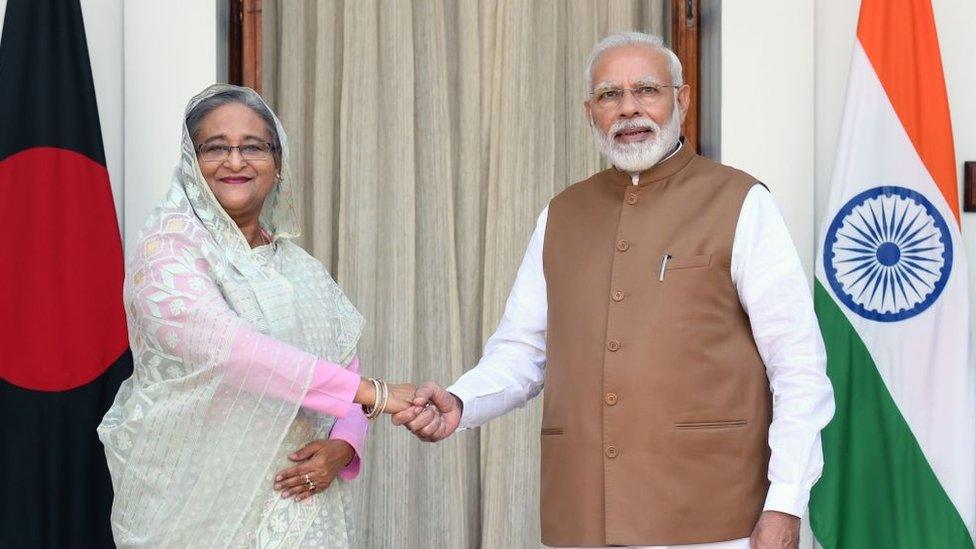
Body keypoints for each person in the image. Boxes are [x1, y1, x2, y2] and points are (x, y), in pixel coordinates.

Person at [394, 32, 835, 549]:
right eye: (609, 95)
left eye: (647, 90)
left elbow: (798, 365)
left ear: (682, 99)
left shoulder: (742, 202)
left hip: (714, 519)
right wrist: (460, 401)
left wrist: (785, 502)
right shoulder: (561, 215)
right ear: (590, 112)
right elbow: (522, 351)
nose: (629, 109)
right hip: (582, 515)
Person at [97, 84, 413, 548]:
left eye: (253, 147)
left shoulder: (301, 268)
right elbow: (234, 353)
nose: (235, 161)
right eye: (215, 148)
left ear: (277, 163)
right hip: (196, 507)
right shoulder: (168, 251)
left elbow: (346, 362)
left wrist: (344, 445)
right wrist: (376, 394)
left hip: (298, 505)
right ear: (191, 162)